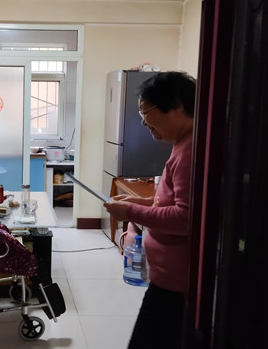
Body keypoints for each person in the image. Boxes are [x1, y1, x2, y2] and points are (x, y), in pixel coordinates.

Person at [103, 71, 196, 349]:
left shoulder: (191, 150)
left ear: (177, 106)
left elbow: (185, 218)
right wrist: (139, 203)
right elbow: (170, 203)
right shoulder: (183, 143)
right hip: (166, 278)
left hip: (175, 283)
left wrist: (130, 213)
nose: (143, 122)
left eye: (146, 112)